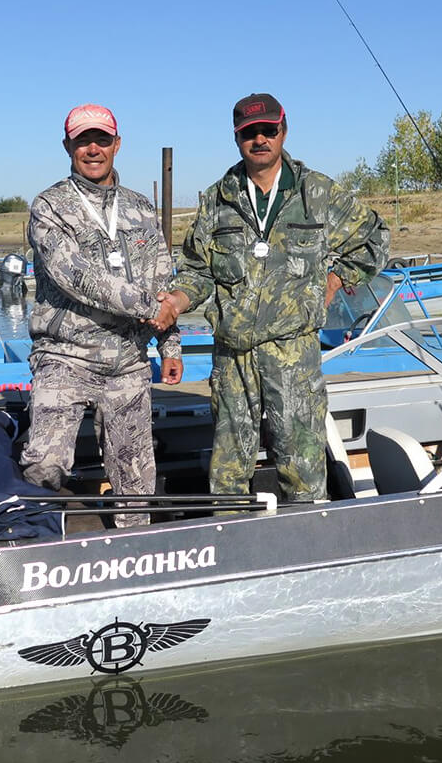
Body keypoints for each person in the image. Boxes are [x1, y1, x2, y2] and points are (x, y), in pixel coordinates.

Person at [151, 93, 388, 502]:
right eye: (249, 133)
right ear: (237, 137)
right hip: (232, 357)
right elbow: (197, 271)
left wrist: (334, 279)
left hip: (294, 354)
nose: (260, 139)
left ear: (283, 129)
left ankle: (308, 544)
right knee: (227, 471)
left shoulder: (318, 192)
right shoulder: (216, 199)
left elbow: (375, 240)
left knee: (302, 467)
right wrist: (175, 302)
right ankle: (230, 544)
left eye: (268, 130)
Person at [21, 104, 182, 525]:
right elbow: (77, 276)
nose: (93, 149)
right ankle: (31, 544)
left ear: (117, 144)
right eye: (82, 140)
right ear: (67, 145)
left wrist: (171, 345)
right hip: (65, 357)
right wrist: (151, 308)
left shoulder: (141, 207)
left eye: (102, 139)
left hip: (128, 362)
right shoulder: (49, 206)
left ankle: (137, 554)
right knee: (44, 465)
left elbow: (163, 277)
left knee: (135, 487)